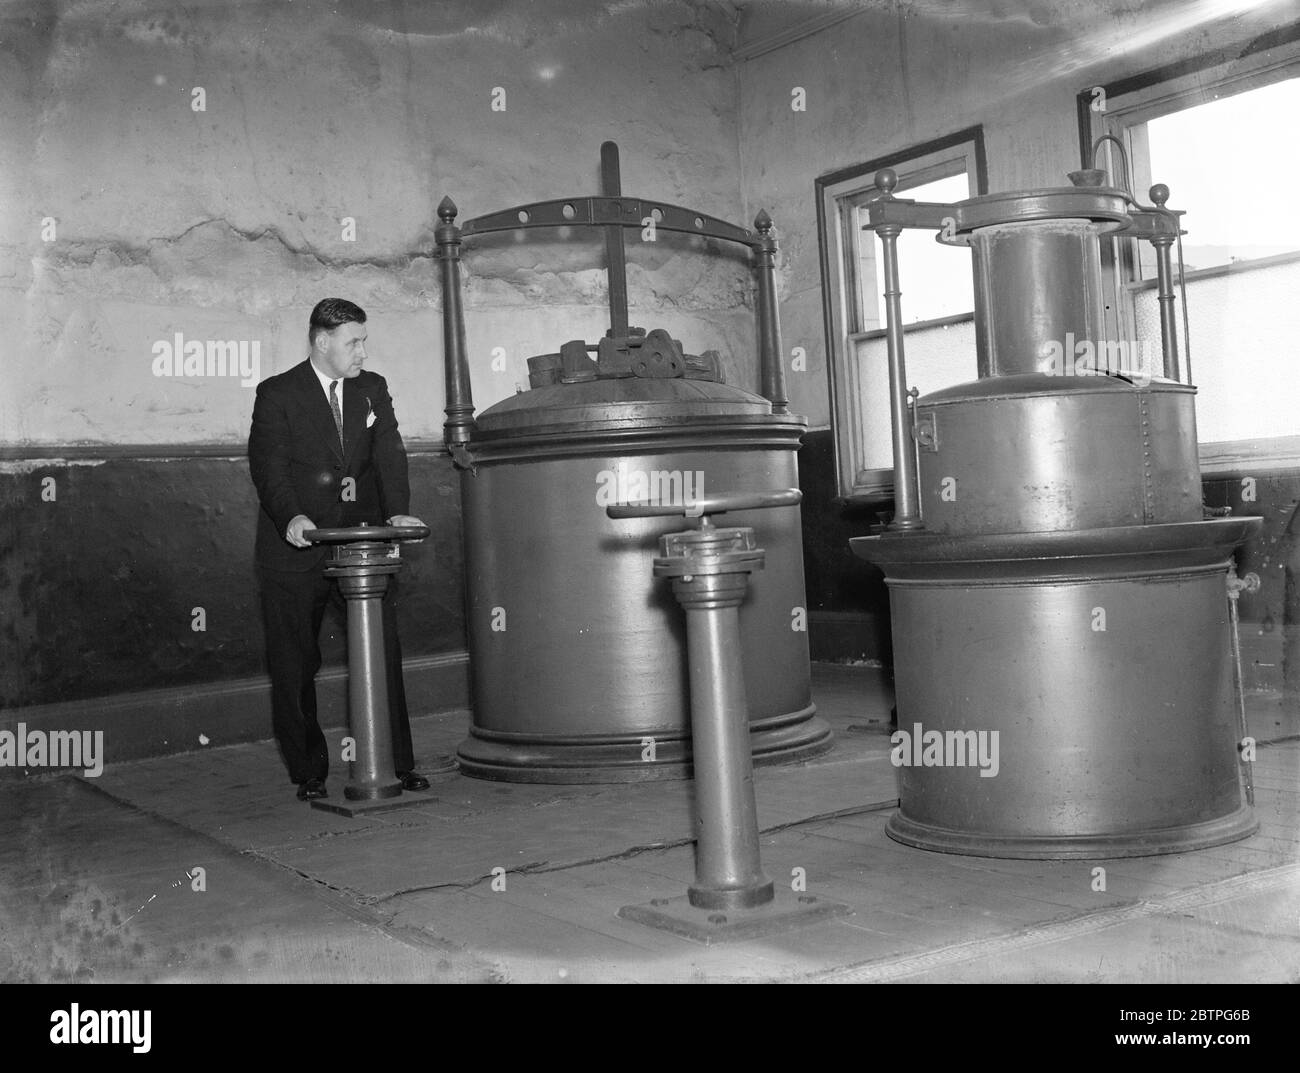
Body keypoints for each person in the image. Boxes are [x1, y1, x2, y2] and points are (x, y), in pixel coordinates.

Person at [248, 298, 430, 801]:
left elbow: (389, 454)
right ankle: (309, 771)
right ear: (322, 342)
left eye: (364, 341)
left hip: (360, 548)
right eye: (354, 342)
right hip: (296, 549)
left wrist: (397, 512)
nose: (362, 353)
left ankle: (396, 762)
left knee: (381, 653)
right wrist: (293, 518)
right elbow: (269, 466)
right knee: (294, 661)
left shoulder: (372, 389)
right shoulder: (277, 394)